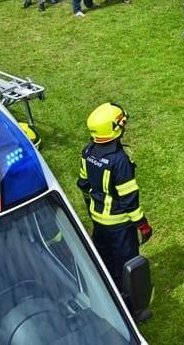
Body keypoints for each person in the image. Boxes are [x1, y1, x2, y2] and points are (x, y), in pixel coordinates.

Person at [77, 103, 152, 300]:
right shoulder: (120, 161)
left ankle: (103, 295)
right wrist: (143, 225)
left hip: (98, 220)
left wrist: (90, 207)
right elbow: (129, 200)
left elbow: (83, 183)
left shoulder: (87, 151)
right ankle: (128, 304)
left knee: (103, 260)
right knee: (126, 267)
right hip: (119, 225)